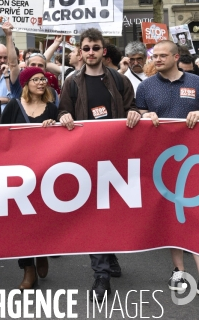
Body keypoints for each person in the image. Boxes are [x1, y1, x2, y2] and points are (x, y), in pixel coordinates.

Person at [58, 28, 141, 302]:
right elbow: (63, 111)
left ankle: (110, 254)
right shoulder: (71, 82)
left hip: (116, 158)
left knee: (113, 213)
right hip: (85, 160)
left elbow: (133, 107)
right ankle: (101, 275)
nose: (91, 52)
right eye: (86, 48)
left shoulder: (119, 80)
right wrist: (64, 117)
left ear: (103, 51)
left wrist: (134, 113)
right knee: (94, 214)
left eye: (95, 47)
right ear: (80, 52)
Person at [135, 39, 199, 293]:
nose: (157, 59)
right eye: (154, 56)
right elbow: (137, 113)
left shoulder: (196, 82)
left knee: (194, 216)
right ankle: (179, 270)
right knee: (173, 217)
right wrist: (143, 116)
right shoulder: (146, 87)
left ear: (176, 57)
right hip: (162, 163)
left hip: (194, 161)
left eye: (162, 55)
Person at [0, 66, 57, 289]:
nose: (41, 83)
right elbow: (0, 135)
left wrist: (55, 127)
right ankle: (28, 269)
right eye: (35, 79)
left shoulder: (52, 108)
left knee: (42, 218)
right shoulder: (14, 105)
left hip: (44, 173)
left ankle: (42, 252)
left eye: (43, 79)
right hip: (17, 172)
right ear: (26, 84)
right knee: (20, 223)